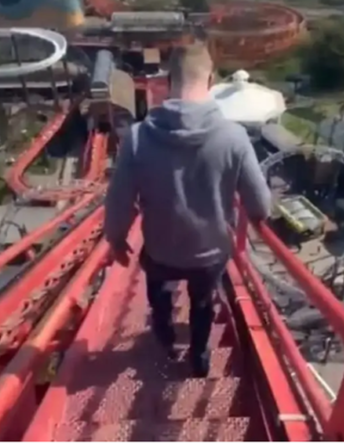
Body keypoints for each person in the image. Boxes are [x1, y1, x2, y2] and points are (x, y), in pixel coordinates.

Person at [103, 43, 272, 377]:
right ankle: (199, 355)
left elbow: (119, 198)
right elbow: (260, 205)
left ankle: (165, 337)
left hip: (160, 249)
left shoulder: (137, 138)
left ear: (168, 80)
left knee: (159, 293)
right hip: (209, 252)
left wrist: (116, 238)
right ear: (209, 80)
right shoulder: (234, 137)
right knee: (202, 304)